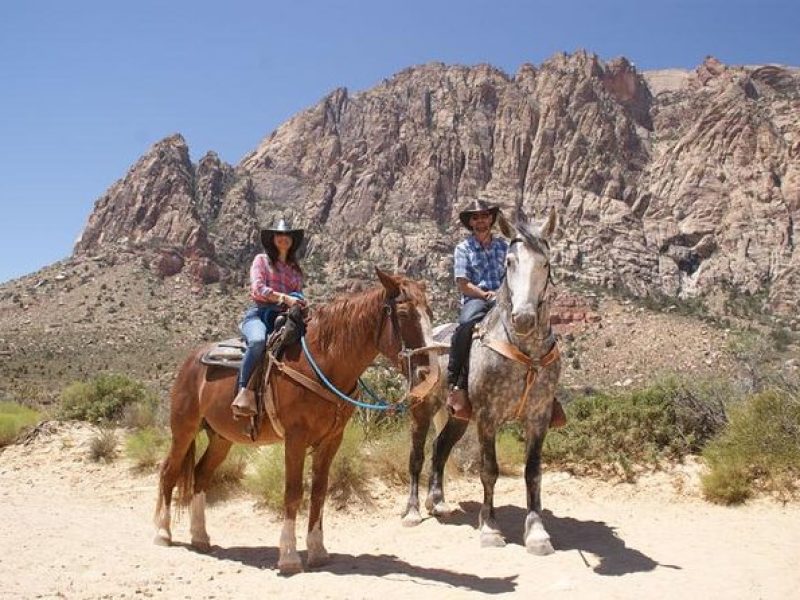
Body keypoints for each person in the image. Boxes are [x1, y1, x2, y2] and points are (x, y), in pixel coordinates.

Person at [445, 199, 566, 428]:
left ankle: (548, 395)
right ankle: (458, 383)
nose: (480, 220)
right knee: (464, 326)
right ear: (470, 222)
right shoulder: (464, 249)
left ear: (491, 219)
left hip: (506, 300)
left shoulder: (505, 246)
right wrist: (484, 294)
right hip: (478, 300)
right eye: (475, 217)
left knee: (542, 334)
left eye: (484, 216)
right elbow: (462, 283)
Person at [231, 218, 306, 418]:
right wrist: (284, 297)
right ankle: (243, 392)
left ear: (292, 241)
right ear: (273, 239)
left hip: (283, 317)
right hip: (260, 314)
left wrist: (299, 301)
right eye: (280, 235)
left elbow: (298, 294)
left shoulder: (295, 270)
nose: (283, 239)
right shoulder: (261, 260)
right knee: (257, 342)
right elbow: (258, 288)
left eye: (287, 236)